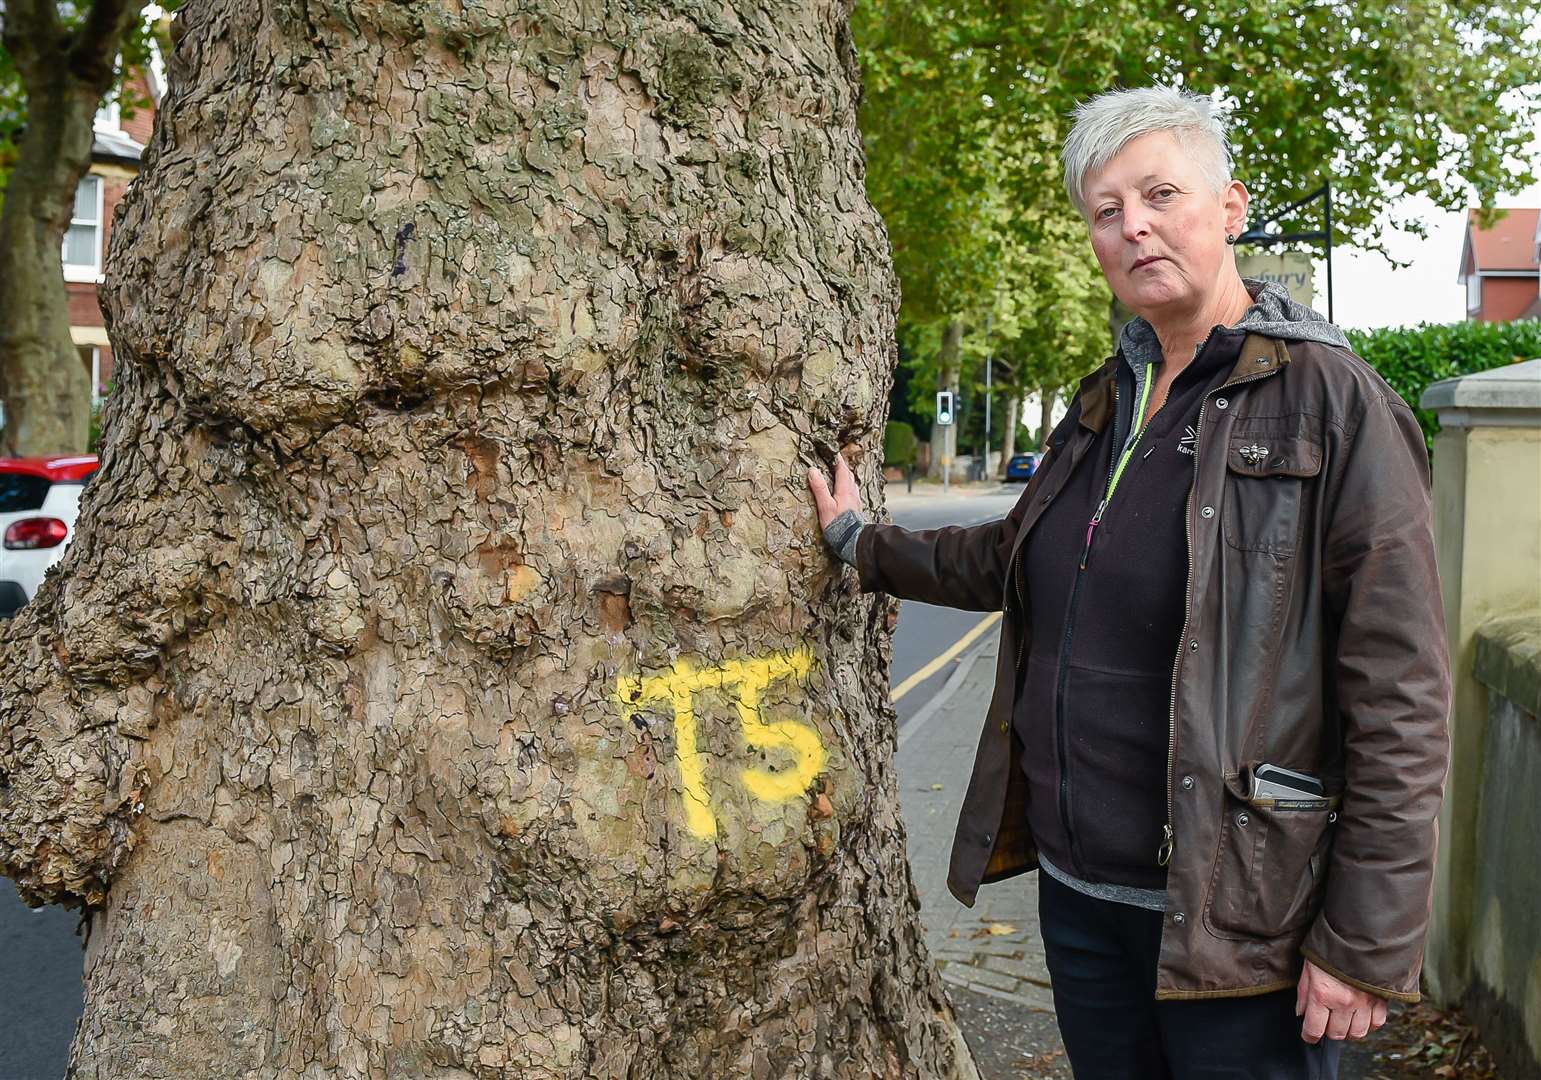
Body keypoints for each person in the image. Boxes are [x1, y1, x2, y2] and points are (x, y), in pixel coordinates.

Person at [809, 86, 1450, 1079]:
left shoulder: (1334, 403)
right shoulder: (1108, 398)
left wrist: (1363, 943)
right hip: (1075, 899)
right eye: (1105, 210)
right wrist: (858, 542)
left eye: (1159, 194)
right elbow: (1012, 559)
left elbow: (1400, 691)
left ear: (1230, 207)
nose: (1133, 225)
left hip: (1239, 927)